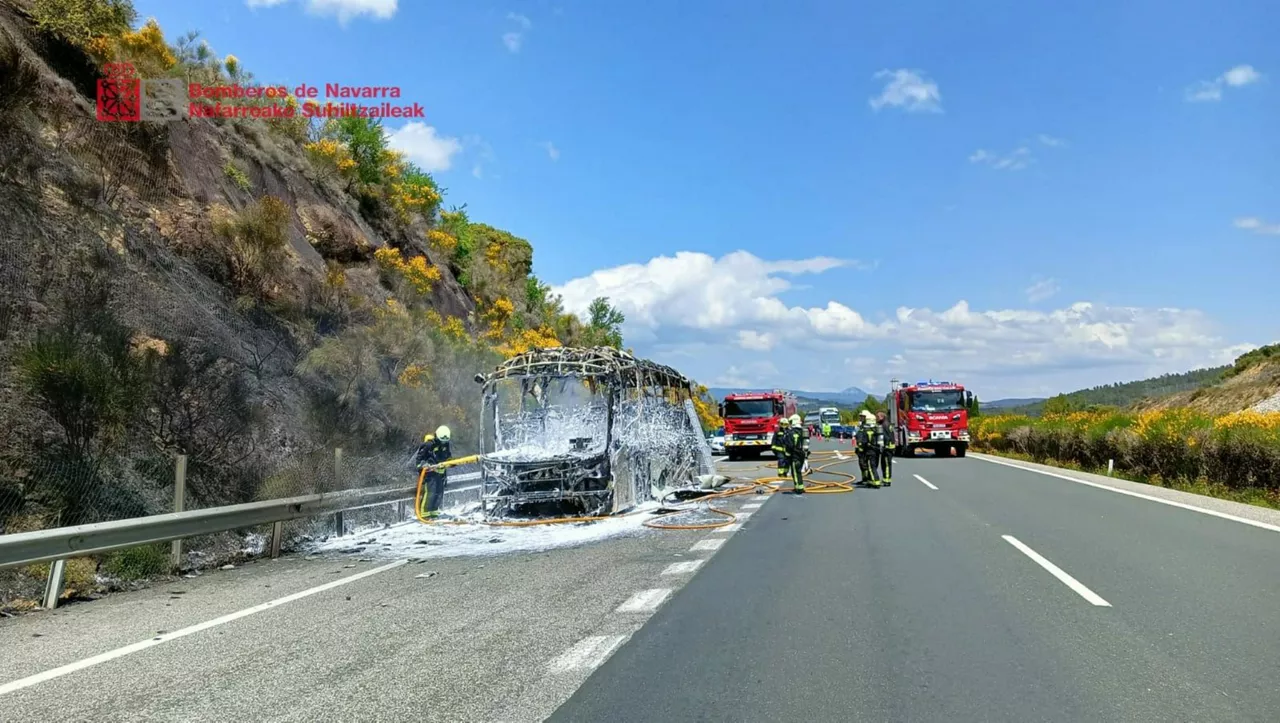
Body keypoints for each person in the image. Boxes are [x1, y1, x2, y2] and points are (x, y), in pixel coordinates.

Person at [412, 425, 452, 518]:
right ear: (437, 436)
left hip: (441, 474)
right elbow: (418, 460)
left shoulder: (446, 445)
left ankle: (434, 513)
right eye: (442, 439)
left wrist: (450, 462)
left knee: (439, 493)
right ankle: (424, 514)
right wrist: (423, 465)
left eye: (446, 440)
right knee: (430, 493)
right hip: (430, 475)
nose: (444, 442)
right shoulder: (428, 445)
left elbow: (448, 456)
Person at [854, 410, 882, 487]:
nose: (861, 418)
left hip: (868, 450)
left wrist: (860, 449)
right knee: (868, 465)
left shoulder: (866, 429)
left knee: (869, 466)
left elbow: (862, 440)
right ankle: (868, 479)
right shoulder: (874, 428)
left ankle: (873, 480)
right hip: (874, 450)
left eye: (862, 417)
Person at [785, 413, 807, 493]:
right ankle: (800, 487)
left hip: (795, 456)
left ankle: (799, 488)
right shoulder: (803, 431)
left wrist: (787, 456)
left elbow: (789, 446)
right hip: (802, 455)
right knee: (798, 471)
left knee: (795, 472)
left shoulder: (791, 433)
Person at [875, 410, 895, 485]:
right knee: (884, 463)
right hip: (889, 447)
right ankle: (885, 478)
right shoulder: (887, 423)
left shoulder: (884, 425)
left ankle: (887, 480)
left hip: (887, 448)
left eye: (877, 417)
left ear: (882, 417)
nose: (876, 418)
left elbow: (886, 437)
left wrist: (883, 446)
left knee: (886, 464)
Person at [770, 416, 792, 481]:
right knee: (781, 461)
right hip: (779, 450)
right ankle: (780, 474)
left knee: (787, 462)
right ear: (780, 424)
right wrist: (774, 448)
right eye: (782, 424)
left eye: (785, 424)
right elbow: (774, 440)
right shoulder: (777, 432)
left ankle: (785, 472)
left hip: (787, 450)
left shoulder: (789, 432)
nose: (784, 426)